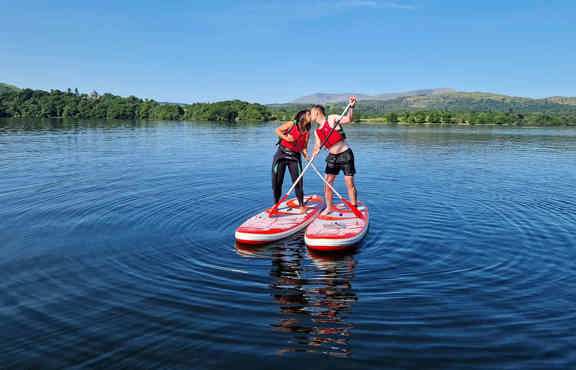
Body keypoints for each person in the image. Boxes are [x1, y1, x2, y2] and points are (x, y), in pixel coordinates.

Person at [311, 96, 358, 213]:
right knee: (327, 183)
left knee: (349, 183)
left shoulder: (331, 118)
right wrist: (314, 152)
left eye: (311, 113)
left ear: (317, 112)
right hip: (332, 158)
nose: (310, 116)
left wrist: (351, 107)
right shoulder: (316, 131)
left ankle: (354, 207)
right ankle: (329, 207)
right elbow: (317, 146)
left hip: (345, 155)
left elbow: (348, 119)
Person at [272, 110, 311, 212]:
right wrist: (287, 138)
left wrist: (307, 156)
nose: (311, 116)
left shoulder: (307, 131)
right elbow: (277, 130)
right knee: (277, 181)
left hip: (295, 157)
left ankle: (301, 205)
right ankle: (276, 204)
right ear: (303, 116)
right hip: (281, 154)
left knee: (298, 182)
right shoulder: (291, 124)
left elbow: (304, 147)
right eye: (309, 114)